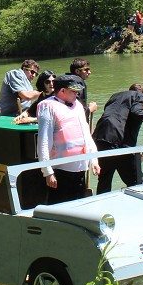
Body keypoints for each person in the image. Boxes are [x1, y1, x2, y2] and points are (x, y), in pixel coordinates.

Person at [37, 74, 100, 205]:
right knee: (59, 206)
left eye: (78, 92)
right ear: (62, 91)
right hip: (61, 170)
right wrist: (47, 171)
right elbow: (43, 141)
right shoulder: (47, 106)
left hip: (80, 167)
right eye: (73, 91)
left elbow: (86, 135)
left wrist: (94, 159)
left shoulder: (78, 105)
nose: (76, 94)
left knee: (78, 205)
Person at [92, 83, 143, 194]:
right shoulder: (138, 96)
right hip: (120, 144)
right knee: (136, 182)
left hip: (100, 139)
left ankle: (101, 207)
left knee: (104, 181)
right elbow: (137, 112)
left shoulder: (115, 96)